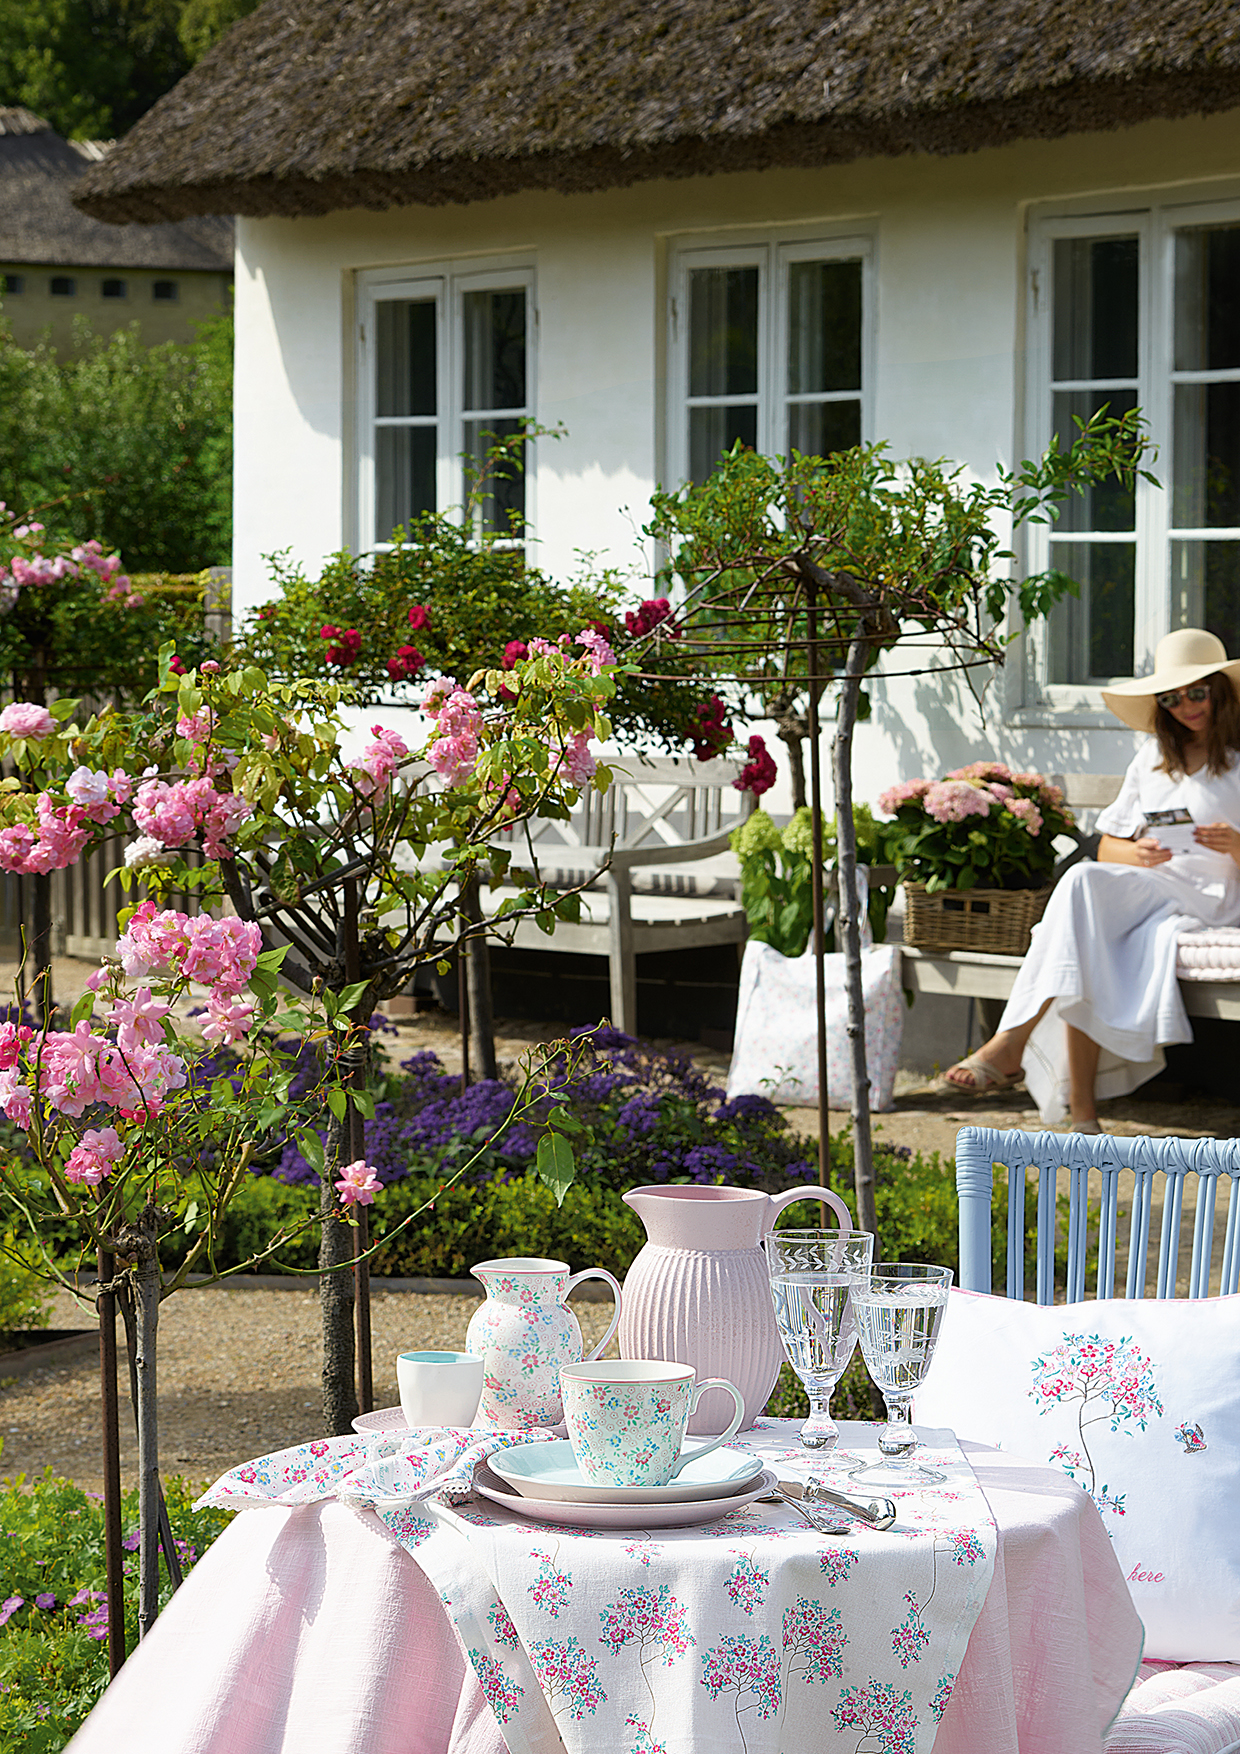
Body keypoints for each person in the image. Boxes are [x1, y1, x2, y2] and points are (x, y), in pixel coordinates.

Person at [942, 627, 1240, 1130]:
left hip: (1214, 895)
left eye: (1197, 692)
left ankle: (1012, 1043)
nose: (1185, 705)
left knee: (1080, 902)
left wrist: (1236, 844)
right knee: (1083, 910)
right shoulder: (1152, 758)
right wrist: (1138, 851)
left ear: (1221, 690)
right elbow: (1106, 845)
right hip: (1151, 885)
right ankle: (1080, 1112)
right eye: (1170, 697)